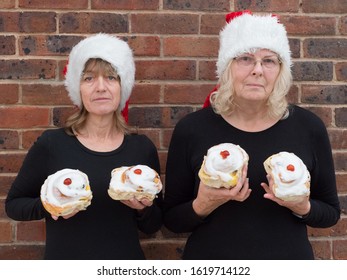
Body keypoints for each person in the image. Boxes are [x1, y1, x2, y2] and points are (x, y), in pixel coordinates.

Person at [162, 11, 340, 260]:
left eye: (269, 61)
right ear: (227, 68)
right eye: (246, 58)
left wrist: (302, 206)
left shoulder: (308, 128)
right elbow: (171, 220)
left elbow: (331, 212)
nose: (258, 70)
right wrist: (203, 204)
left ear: (280, 71)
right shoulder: (193, 129)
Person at [5, 34, 162, 260]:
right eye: (89, 78)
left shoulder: (141, 148)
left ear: (122, 87)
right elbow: (13, 205)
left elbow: (154, 224)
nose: (100, 87)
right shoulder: (53, 144)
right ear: (78, 88)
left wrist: (142, 208)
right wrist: (51, 204)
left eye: (110, 77)